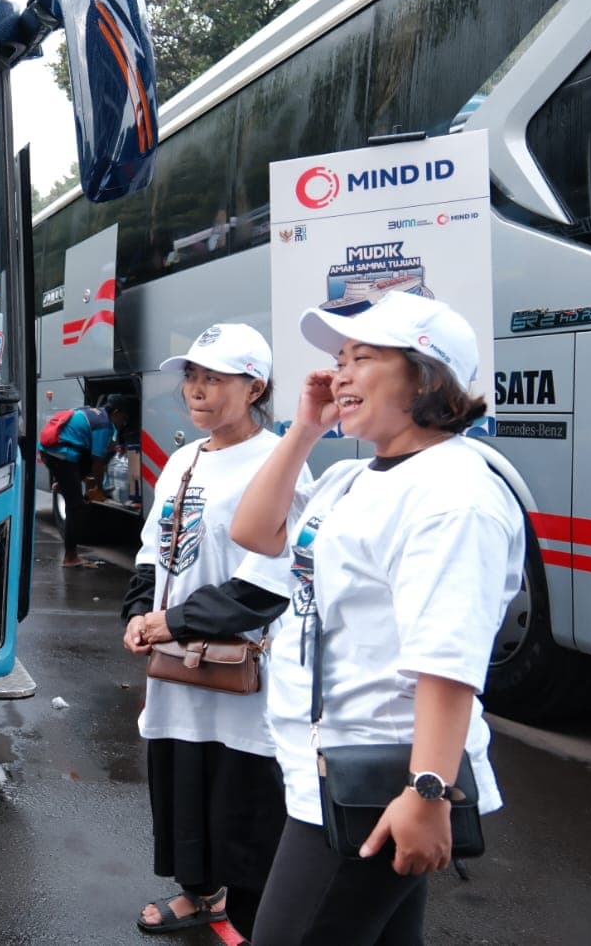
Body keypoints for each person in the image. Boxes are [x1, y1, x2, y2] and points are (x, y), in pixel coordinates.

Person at [229, 292, 524, 946]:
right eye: (339, 360)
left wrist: (427, 791)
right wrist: (305, 427)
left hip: (383, 773)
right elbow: (254, 531)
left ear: (427, 377)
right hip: (332, 765)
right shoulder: (354, 480)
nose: (340, 374)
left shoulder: (455, 495)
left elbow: (448, 658)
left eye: (363, 358)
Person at [121, 323, 307, 940]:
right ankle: (199, 896)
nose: (197, 391)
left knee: (243, 801)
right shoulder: (181, 458)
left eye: (215, 379)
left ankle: (254, 920)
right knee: (181, 785)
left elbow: (265, 588)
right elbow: (152, 550)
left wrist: (168, 622)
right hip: (177, 667)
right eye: (192, 378)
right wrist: (137, 615)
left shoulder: (280, 465)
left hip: (242, 671)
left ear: (255, 387)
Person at [40, 395, 128, 568]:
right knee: (76, 507)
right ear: (116, 412)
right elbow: (97, 464)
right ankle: (71, 557)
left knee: (96, 456)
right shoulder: (103, 425)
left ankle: (62, 483)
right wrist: (99, 488)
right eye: (123, 418)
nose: (123, 423)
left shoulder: (97, 414)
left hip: (54, 452)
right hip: (60, 455)